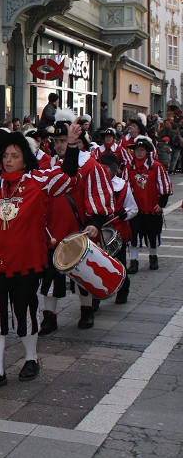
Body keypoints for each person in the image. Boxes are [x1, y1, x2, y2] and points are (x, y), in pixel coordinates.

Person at [0, 123, 83, 390]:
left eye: (15, 155)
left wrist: (72, 145)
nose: (9, 160)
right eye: (5, 156)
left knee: (26, 312)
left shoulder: (38, 181)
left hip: (26, 262)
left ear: (25, 157)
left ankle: (31, 358)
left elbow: (68, 177)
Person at [40, 112, 114, 333]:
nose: (59, 145)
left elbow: (99, 196)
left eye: (64, 141)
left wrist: (95, 223)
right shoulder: (48, 165)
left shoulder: (90, 166)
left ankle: (86, 311)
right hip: (53, 231)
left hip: (79, 230)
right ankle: (49, 317)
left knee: (83, 275)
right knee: (50, 278)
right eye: (56, 141)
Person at [125, 137, 172, 273]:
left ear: (147, 152)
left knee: (152, 234)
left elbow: (165, 186)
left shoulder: (156, 167)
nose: (139, 153)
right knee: (133, 236)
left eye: (141, 150)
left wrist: (161, 204)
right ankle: (134, 261)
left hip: (151, 207)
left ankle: (153, 256)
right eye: (136, 150)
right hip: (135, 208)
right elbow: (125, 187)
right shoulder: (129, 168)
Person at [97, 152, 137, 305]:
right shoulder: (96, 185)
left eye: (107, 167)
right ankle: (97, 296)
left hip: (118, 231)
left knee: (119, 263)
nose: (105, 170)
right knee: (99, 265)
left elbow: (134, 209)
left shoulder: (123, 186)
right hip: (100, 232)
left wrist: (123, 215)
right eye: (103, 167)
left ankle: (123, 290)